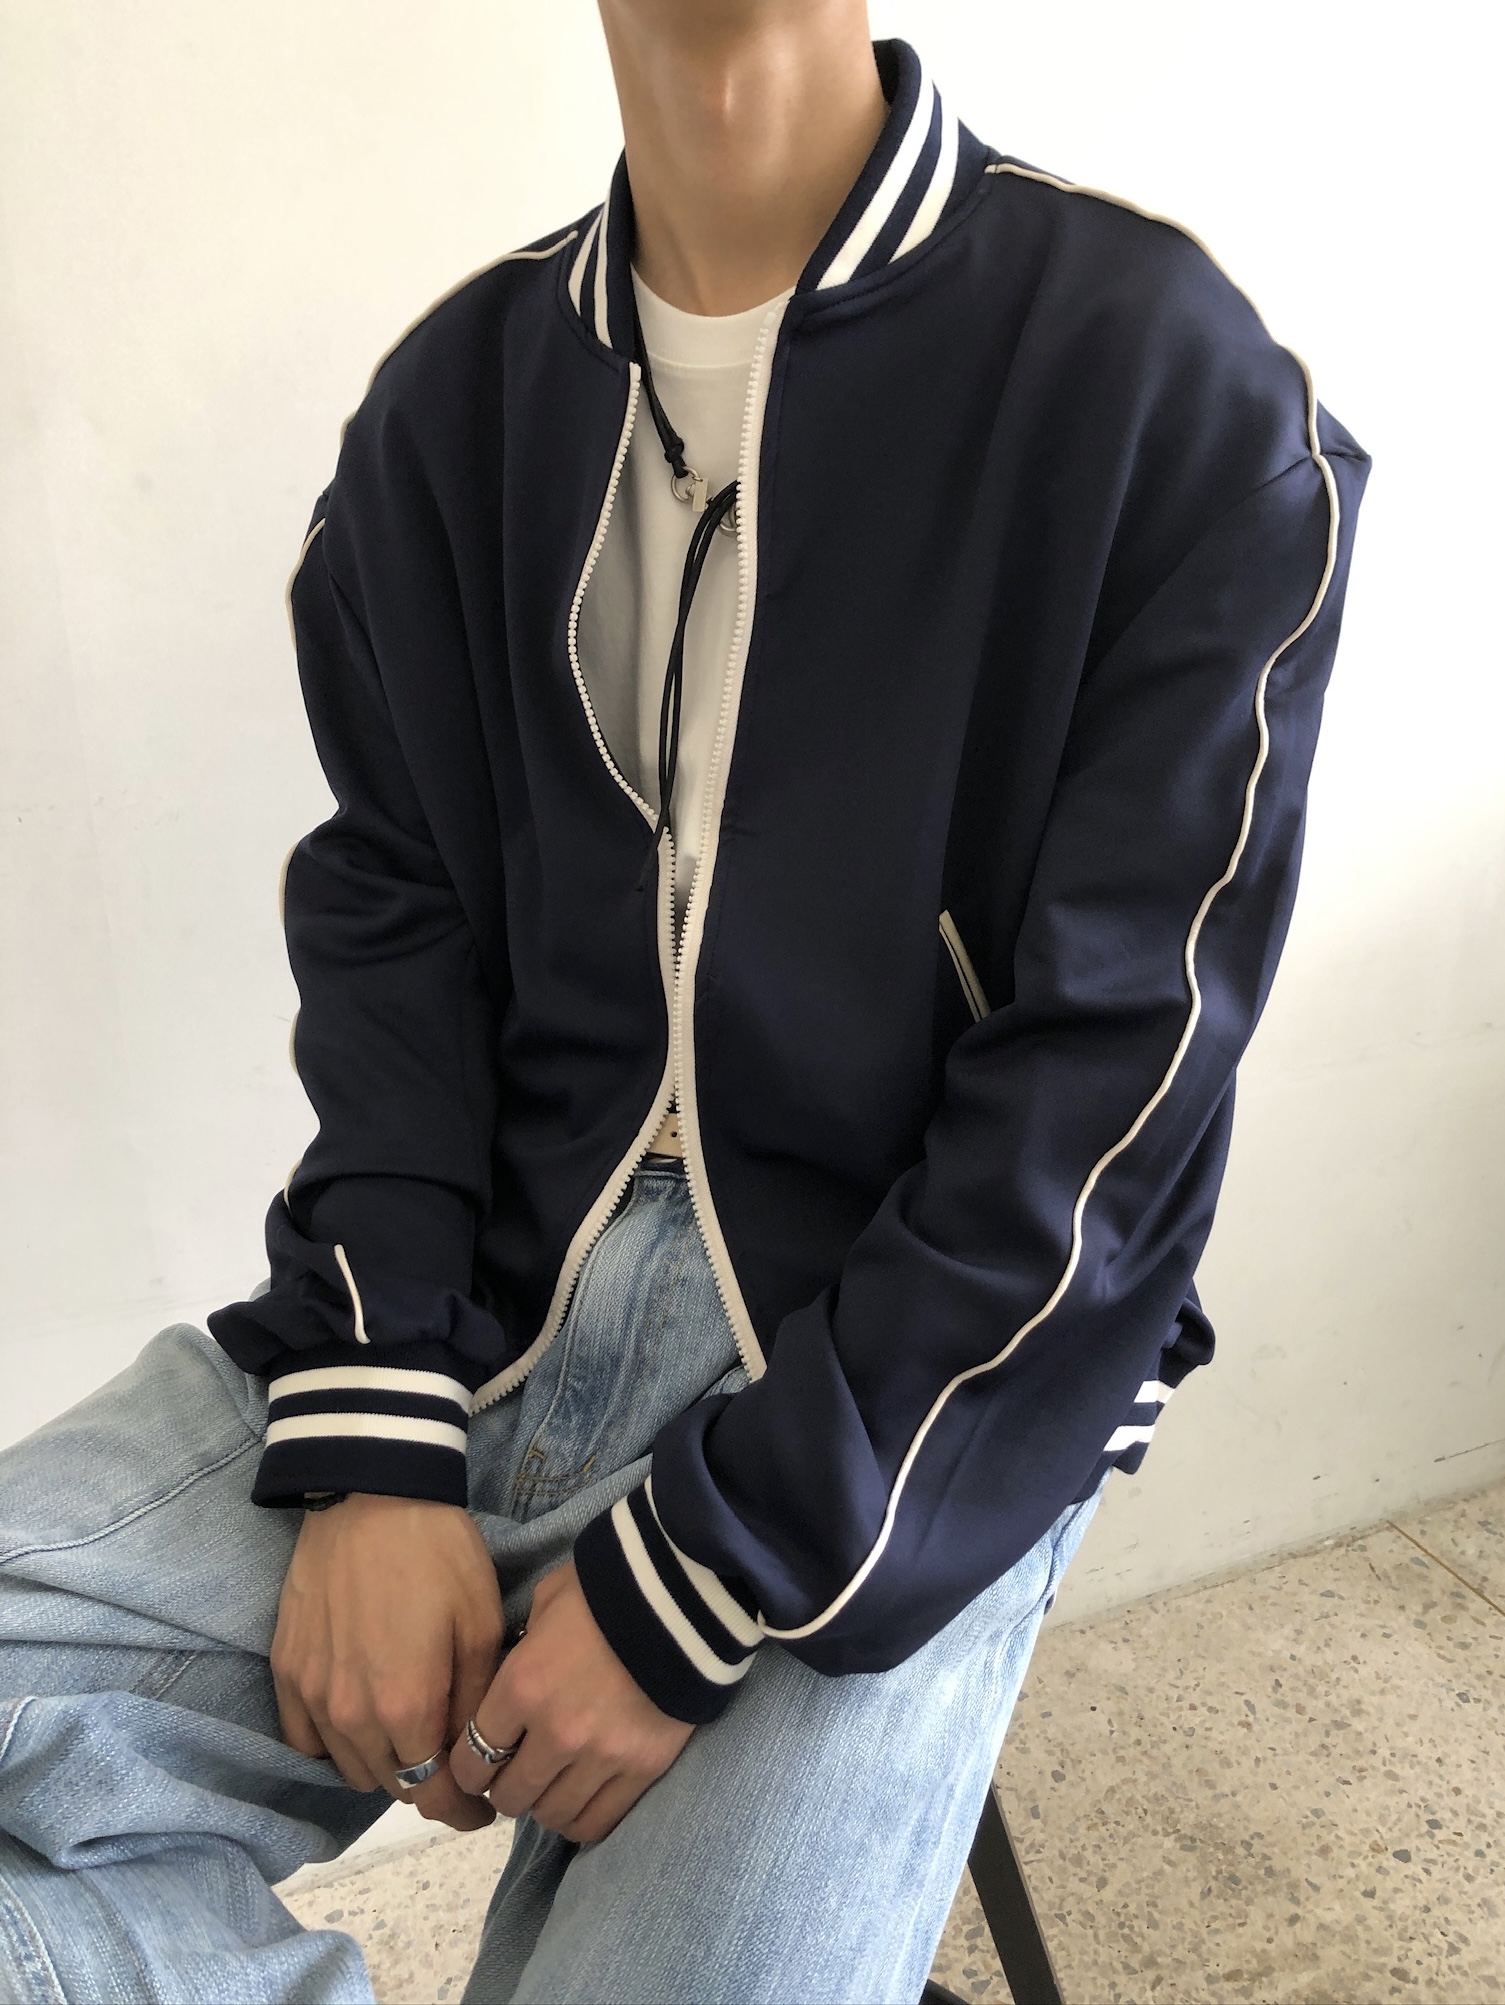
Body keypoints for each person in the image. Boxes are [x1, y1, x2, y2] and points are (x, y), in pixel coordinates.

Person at [0, 2, 1369, 2000]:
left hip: (891, 1384)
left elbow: (1113, 1093)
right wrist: (377, 1431)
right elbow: (394, 937)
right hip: (474, 1299)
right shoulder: (455, 408)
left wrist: (702, 1576)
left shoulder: (1162, 384)